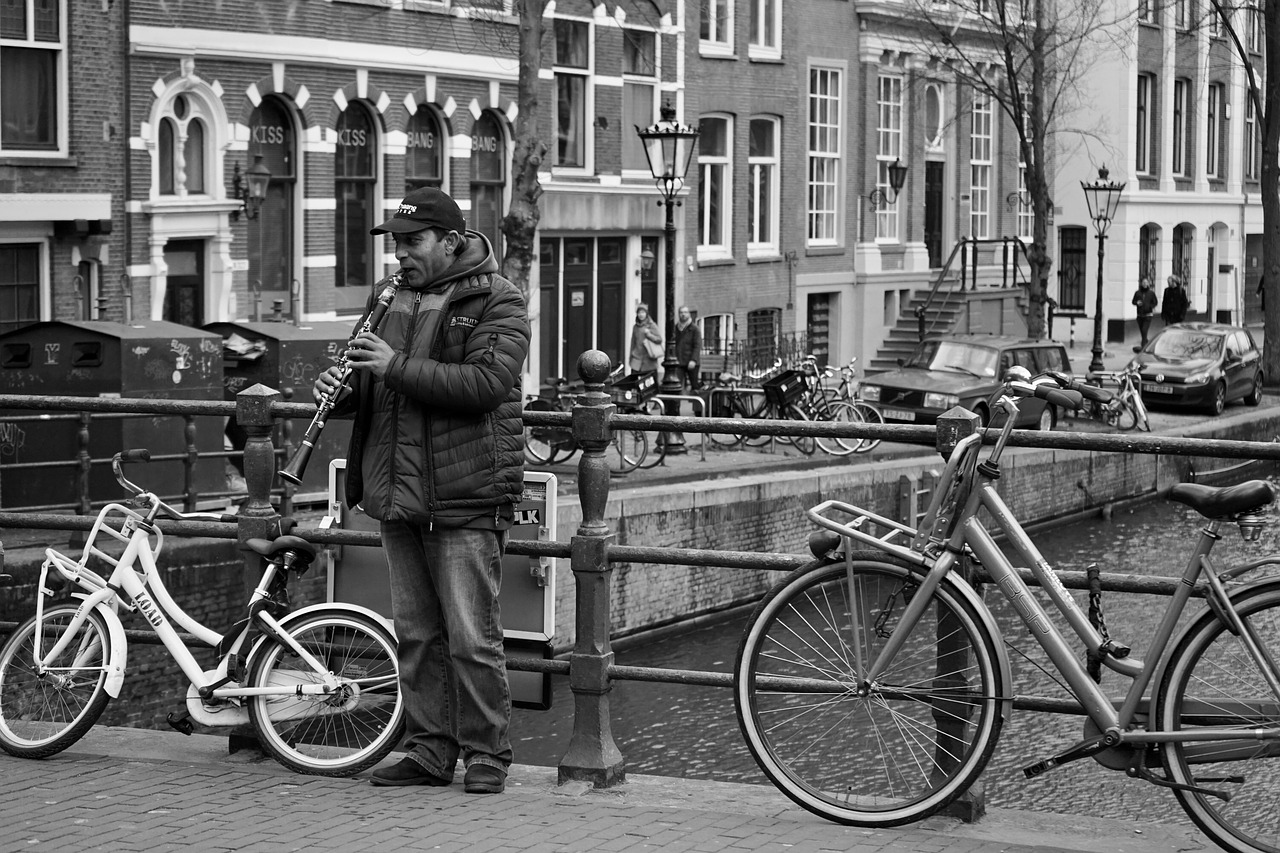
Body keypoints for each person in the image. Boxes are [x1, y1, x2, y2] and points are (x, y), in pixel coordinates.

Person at [312, 187, 529, 796]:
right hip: (396, 490)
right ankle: (430, 749)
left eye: (413, 242)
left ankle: (487, 753)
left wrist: (391, 366)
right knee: (415, 634)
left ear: (451, 242)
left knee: (472, 637)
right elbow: (376, 386)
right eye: (396, 243)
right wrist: (343, 390)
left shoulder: (498, 299)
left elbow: (487, 384)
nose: (400, 254)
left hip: (464, 492)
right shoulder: (387, 297)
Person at [672, 305, 702, 391]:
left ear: (689, 314)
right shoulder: (675, 328)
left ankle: (696, 400)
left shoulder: (695, 329)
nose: (683, 314)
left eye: (685, 312)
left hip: (691, 362)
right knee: (677, 385)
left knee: (695, 386)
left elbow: (697, 345)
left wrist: (693, 360)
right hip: (679, 362)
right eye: (681, 312)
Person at [629, 303, 663, 375]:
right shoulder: (635, 327)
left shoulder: (652, 325)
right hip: (637, 360)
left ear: (646, 314)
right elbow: (633, 343)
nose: (641, 315)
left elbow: (659, 339)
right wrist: (630, 357)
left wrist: (649, 335)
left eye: (643, 312)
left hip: (649, 360)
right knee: (635, 379)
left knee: (649, 380)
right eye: (639, 312)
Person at [1131, 276, 1158, 352]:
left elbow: (1155, 302)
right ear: (1141, 283)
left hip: (1148, 315)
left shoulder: (1151, 293)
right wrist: (1137, 303)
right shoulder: (1137, 293)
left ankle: (1143, 348)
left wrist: (1150, 306)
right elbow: (1133, 301)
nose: (1145, 284)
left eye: (1146, 282)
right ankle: (1147, 342)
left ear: (1148, 283)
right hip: (1140, 315)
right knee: (1142, 332)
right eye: (1143, 282)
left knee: (1144, 330)